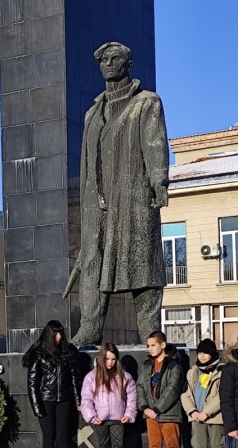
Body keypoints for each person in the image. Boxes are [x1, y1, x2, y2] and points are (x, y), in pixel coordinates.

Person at [66, 41, 170, 346]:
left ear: (128, 65)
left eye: (115, 58)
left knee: (142, 264)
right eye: (104, 60)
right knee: (92, 264)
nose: (109, 63)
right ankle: (90, 326)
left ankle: (150, 330)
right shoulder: (92, 113)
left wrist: (159, 181)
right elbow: (87, 162)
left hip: (133, 198)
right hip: (96, 205)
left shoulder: (146, 103)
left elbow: (155, 144)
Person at [23, 320, 82, 448]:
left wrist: (78, 401)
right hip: (46, 400)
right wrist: (37, 407)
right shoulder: (39, 354)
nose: (59, 336)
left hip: (64, 400)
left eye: (61, 333)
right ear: (49, 334)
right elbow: (32, 383)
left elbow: (74, 379)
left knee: (63, 437)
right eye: (56, 333)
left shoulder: (67, 352)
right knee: (48, 438)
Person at [80, 343, 136, 448]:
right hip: (101, 419)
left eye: (113, 359)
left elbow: (131, 397)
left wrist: (129, 413)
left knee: (118, 446)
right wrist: (91, 416)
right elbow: (86, 399)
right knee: (104, 446)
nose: (110, 362)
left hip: (118, 418)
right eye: (107, 359)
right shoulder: (92, 377)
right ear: (101, 358)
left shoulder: (124, 376)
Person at [137, 331, 184, 448]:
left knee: (172, 445)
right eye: (148, 346)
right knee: (154, 446)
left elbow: (173, 390)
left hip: (168, 413)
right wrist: (145, 407)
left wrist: (157, 409)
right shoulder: (146, 366)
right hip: (150, 413)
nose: (150, 349)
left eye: (153, 345)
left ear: (162, 345)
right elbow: (141, 387)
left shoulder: (174, 365)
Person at [180, 338, 225, 448]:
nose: (202, 356)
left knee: (216, 447)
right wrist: (192, 411)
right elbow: (185, 394)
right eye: (200, 353)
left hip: (215, 417)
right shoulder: (193, 372)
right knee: (199, 447)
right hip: (196, 416)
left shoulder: (221, 371)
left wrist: (206, 412)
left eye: (206, 353)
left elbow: (222, 396)